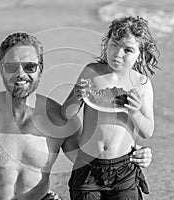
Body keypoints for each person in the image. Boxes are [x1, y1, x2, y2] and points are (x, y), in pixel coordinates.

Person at [0, 32, 153, 200]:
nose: (21, 74)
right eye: (12, 66)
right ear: (1, 68)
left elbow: (92, 160)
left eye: (30, 67)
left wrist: (135, 155)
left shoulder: (59, 118)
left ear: (41, 68)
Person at [61, 16, 160, 200]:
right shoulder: (91, 72)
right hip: (88, 166)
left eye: (128, 50)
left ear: (141, 54)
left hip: (124, 169)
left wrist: (134, 111)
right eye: (114, 44)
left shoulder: (142, 84)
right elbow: (66, 113)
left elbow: (147, 131)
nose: (117, 54)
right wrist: (76, 97)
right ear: (106, 43)